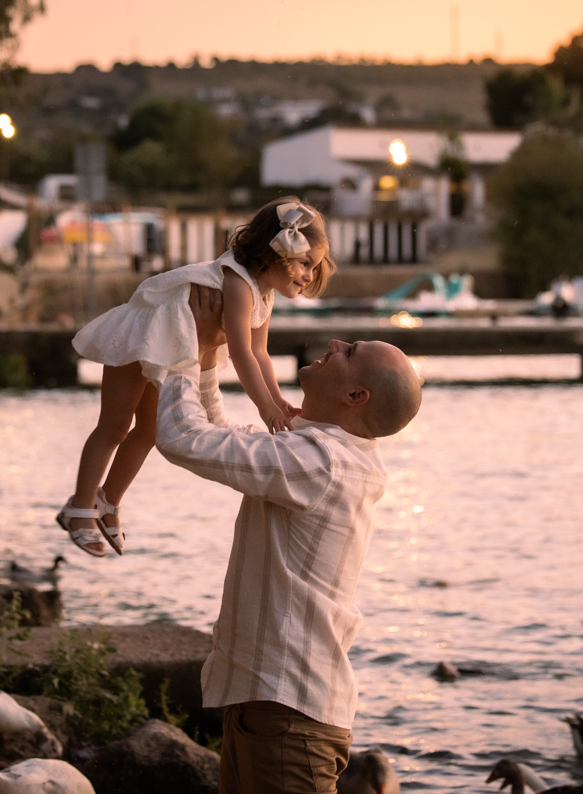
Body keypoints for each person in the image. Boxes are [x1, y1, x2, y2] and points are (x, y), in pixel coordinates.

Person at [154, 284, 422, 794]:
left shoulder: (320, 464)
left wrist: (181, 345)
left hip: (288, 712)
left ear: (355, 396)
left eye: (351, 352)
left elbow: (182, 438)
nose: (337, 342)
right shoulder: (320, 453)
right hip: (273, 704)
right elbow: (215, 432)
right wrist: (208, 353)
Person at [58, 197, 336, 558]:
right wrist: (264, 407)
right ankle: (79, 508)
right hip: (145, 335)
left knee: (150, 432)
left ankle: (108, 500)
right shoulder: (236, 281)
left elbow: (259, 352)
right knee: (114, 426)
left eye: (312, 267)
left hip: (172, 349)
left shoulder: (263, 294)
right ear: (277, 252)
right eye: (304, 263)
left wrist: (277, 399)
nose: (308, 275)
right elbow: (239, 352)